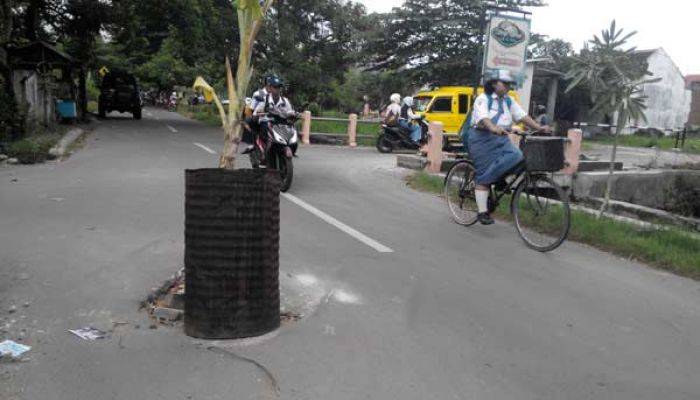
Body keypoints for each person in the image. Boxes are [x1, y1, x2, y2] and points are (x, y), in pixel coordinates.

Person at [464, 69, 551, 226]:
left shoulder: (508, 101)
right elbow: (483, 118)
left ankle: (498, 179)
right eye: (504, 83)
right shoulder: (483, 99)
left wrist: (539, 127)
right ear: (493, 83)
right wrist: (493, 128)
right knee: (484, 175)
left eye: (509, 84)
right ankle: (482, 212)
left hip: (501, 138)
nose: (508, 87)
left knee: (517, 157)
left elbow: (522, 116)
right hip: (481, 139)